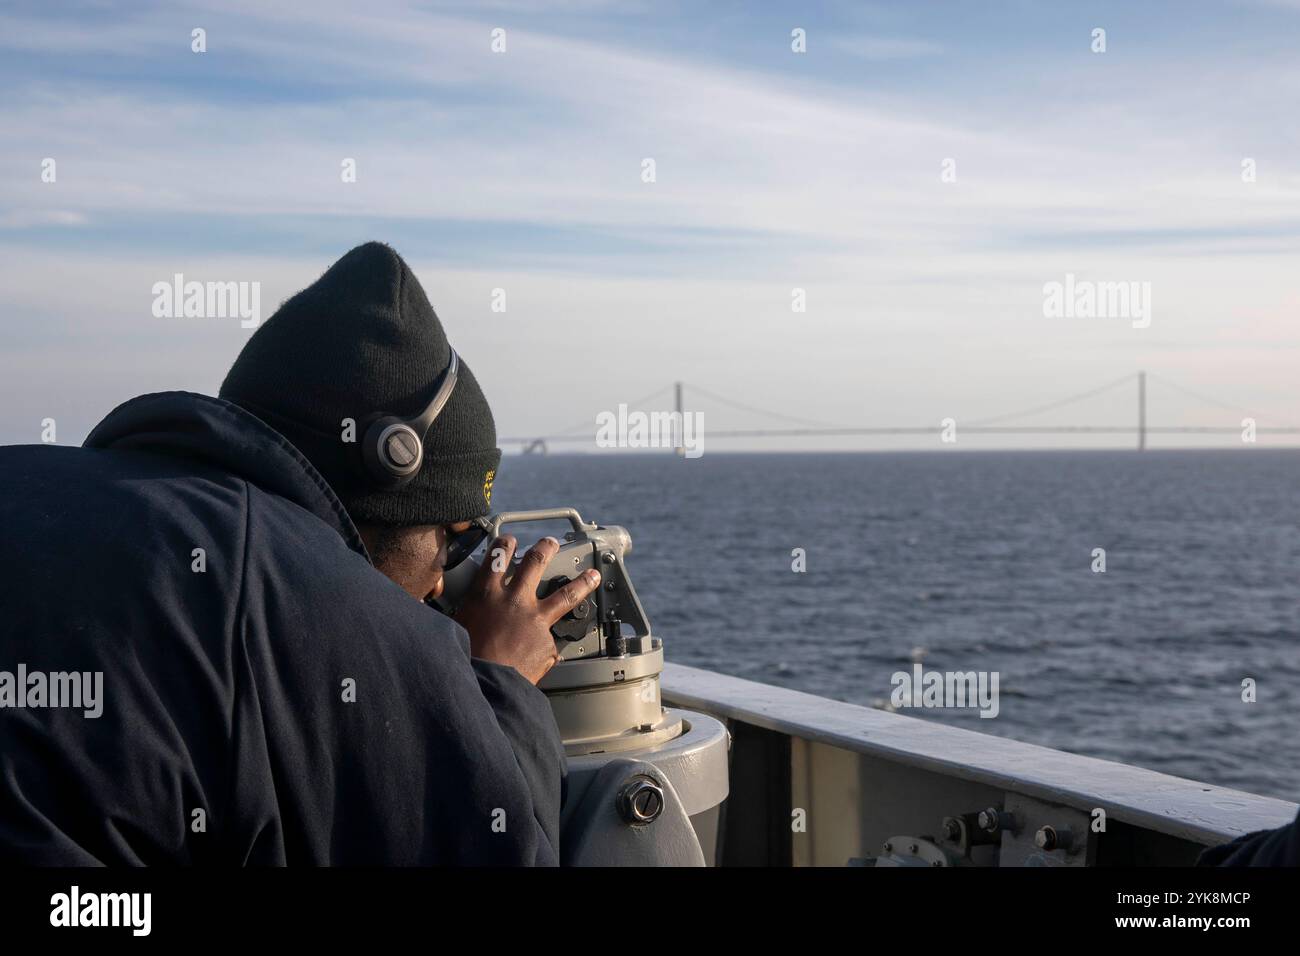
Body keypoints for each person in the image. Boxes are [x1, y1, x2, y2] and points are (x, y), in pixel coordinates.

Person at [0, 241, 597, 865]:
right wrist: (498, 686)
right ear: (391, 466)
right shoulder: (316, 602)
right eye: (456, 539)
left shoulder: (39, 486)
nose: (443, 587)